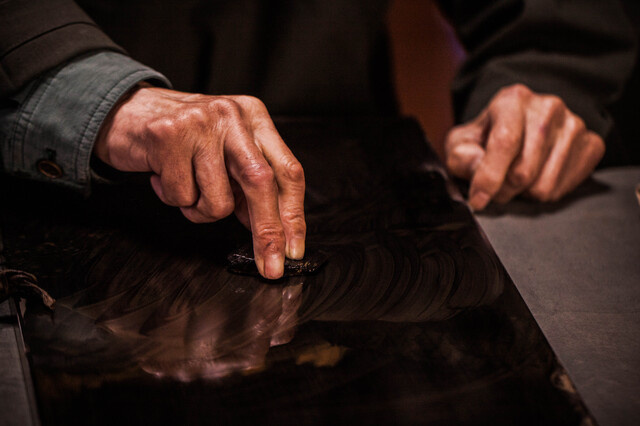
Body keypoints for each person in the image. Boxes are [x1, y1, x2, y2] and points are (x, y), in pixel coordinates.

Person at [0, 0, 636, 279]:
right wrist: (95, 93)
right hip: (56, 181)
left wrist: (542, 73)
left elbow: (550, 15)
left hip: (356, 190)